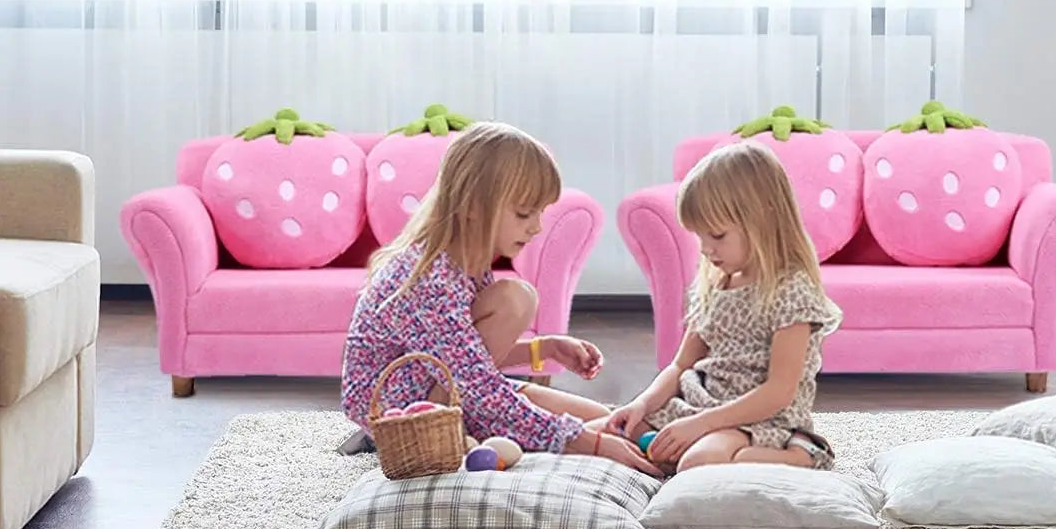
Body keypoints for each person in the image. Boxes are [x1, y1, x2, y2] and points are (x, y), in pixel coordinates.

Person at [340, 120, 659, 474]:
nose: (536, 227)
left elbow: (464, 359)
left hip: (444, 387)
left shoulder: (467, 264)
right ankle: (446, 432)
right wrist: (590, 445)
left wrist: (544, 349)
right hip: (402, 412)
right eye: (524, 213)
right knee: (515, 304)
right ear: (473, 204)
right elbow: (476, 383)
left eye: (539, 213)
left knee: (618, 422)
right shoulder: (429, 279)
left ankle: (652, 442)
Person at [605, 142, 842, 472]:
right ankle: (693, 451)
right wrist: (641, 405)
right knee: (616, 434)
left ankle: (800, 456)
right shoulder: (717, 282)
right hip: (703, 404)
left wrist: (701, 425)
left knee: (697, 462)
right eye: (700, 237)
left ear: (763, 221)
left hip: (754, 419)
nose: (705, 250)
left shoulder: (791, 291)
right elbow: (679, 366)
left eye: (717, 236)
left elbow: (778, 392)